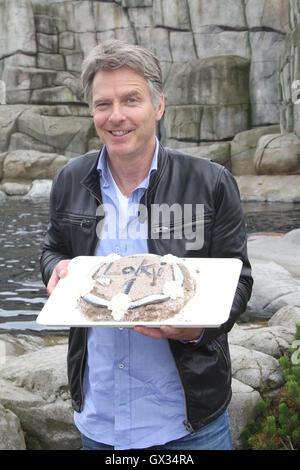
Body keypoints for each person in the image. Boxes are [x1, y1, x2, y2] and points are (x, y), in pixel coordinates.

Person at [40, 40, 253, 451]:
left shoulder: (210, 183)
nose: (116, 116)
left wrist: (198, 329)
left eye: (130, 99)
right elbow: (51, 251)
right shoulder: (69, 180)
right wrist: (56, 270)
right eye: (103, 104)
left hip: (189, 424)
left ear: (158, 106)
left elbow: (238, 280)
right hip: (99, 421)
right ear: (92, 111)